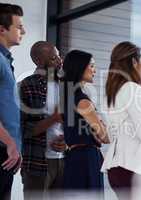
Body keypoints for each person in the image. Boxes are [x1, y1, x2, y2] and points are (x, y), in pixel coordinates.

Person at [101, 41, 141, 200]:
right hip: (132, 168)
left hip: (117, 167)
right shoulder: (132, 89)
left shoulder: (112, 93)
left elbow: (115, 132)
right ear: (134, 62)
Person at [20, 41, 66, 199]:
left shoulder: (65, 86)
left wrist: (66, 142)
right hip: (37, 164)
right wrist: (54, 118)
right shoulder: (26, 86)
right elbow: (24, 130)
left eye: (59, 56)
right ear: (38, 61)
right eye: (54, 58)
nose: (60, 61)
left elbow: (73, 124)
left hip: (64, 160)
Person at [62, 50, 109, 195]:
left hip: (75, 157)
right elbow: (105, 136)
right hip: (86, 159)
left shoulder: (68, 95)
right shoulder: (82, 100)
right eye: (92, 66)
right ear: (80, 67)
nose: (95, 70)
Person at [0, 3, 25, 200]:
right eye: (19, 26)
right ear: (2, 29)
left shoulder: (6, 60)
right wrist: (10, 143)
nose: (23, 31)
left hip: (6, 152)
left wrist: (15, 146)